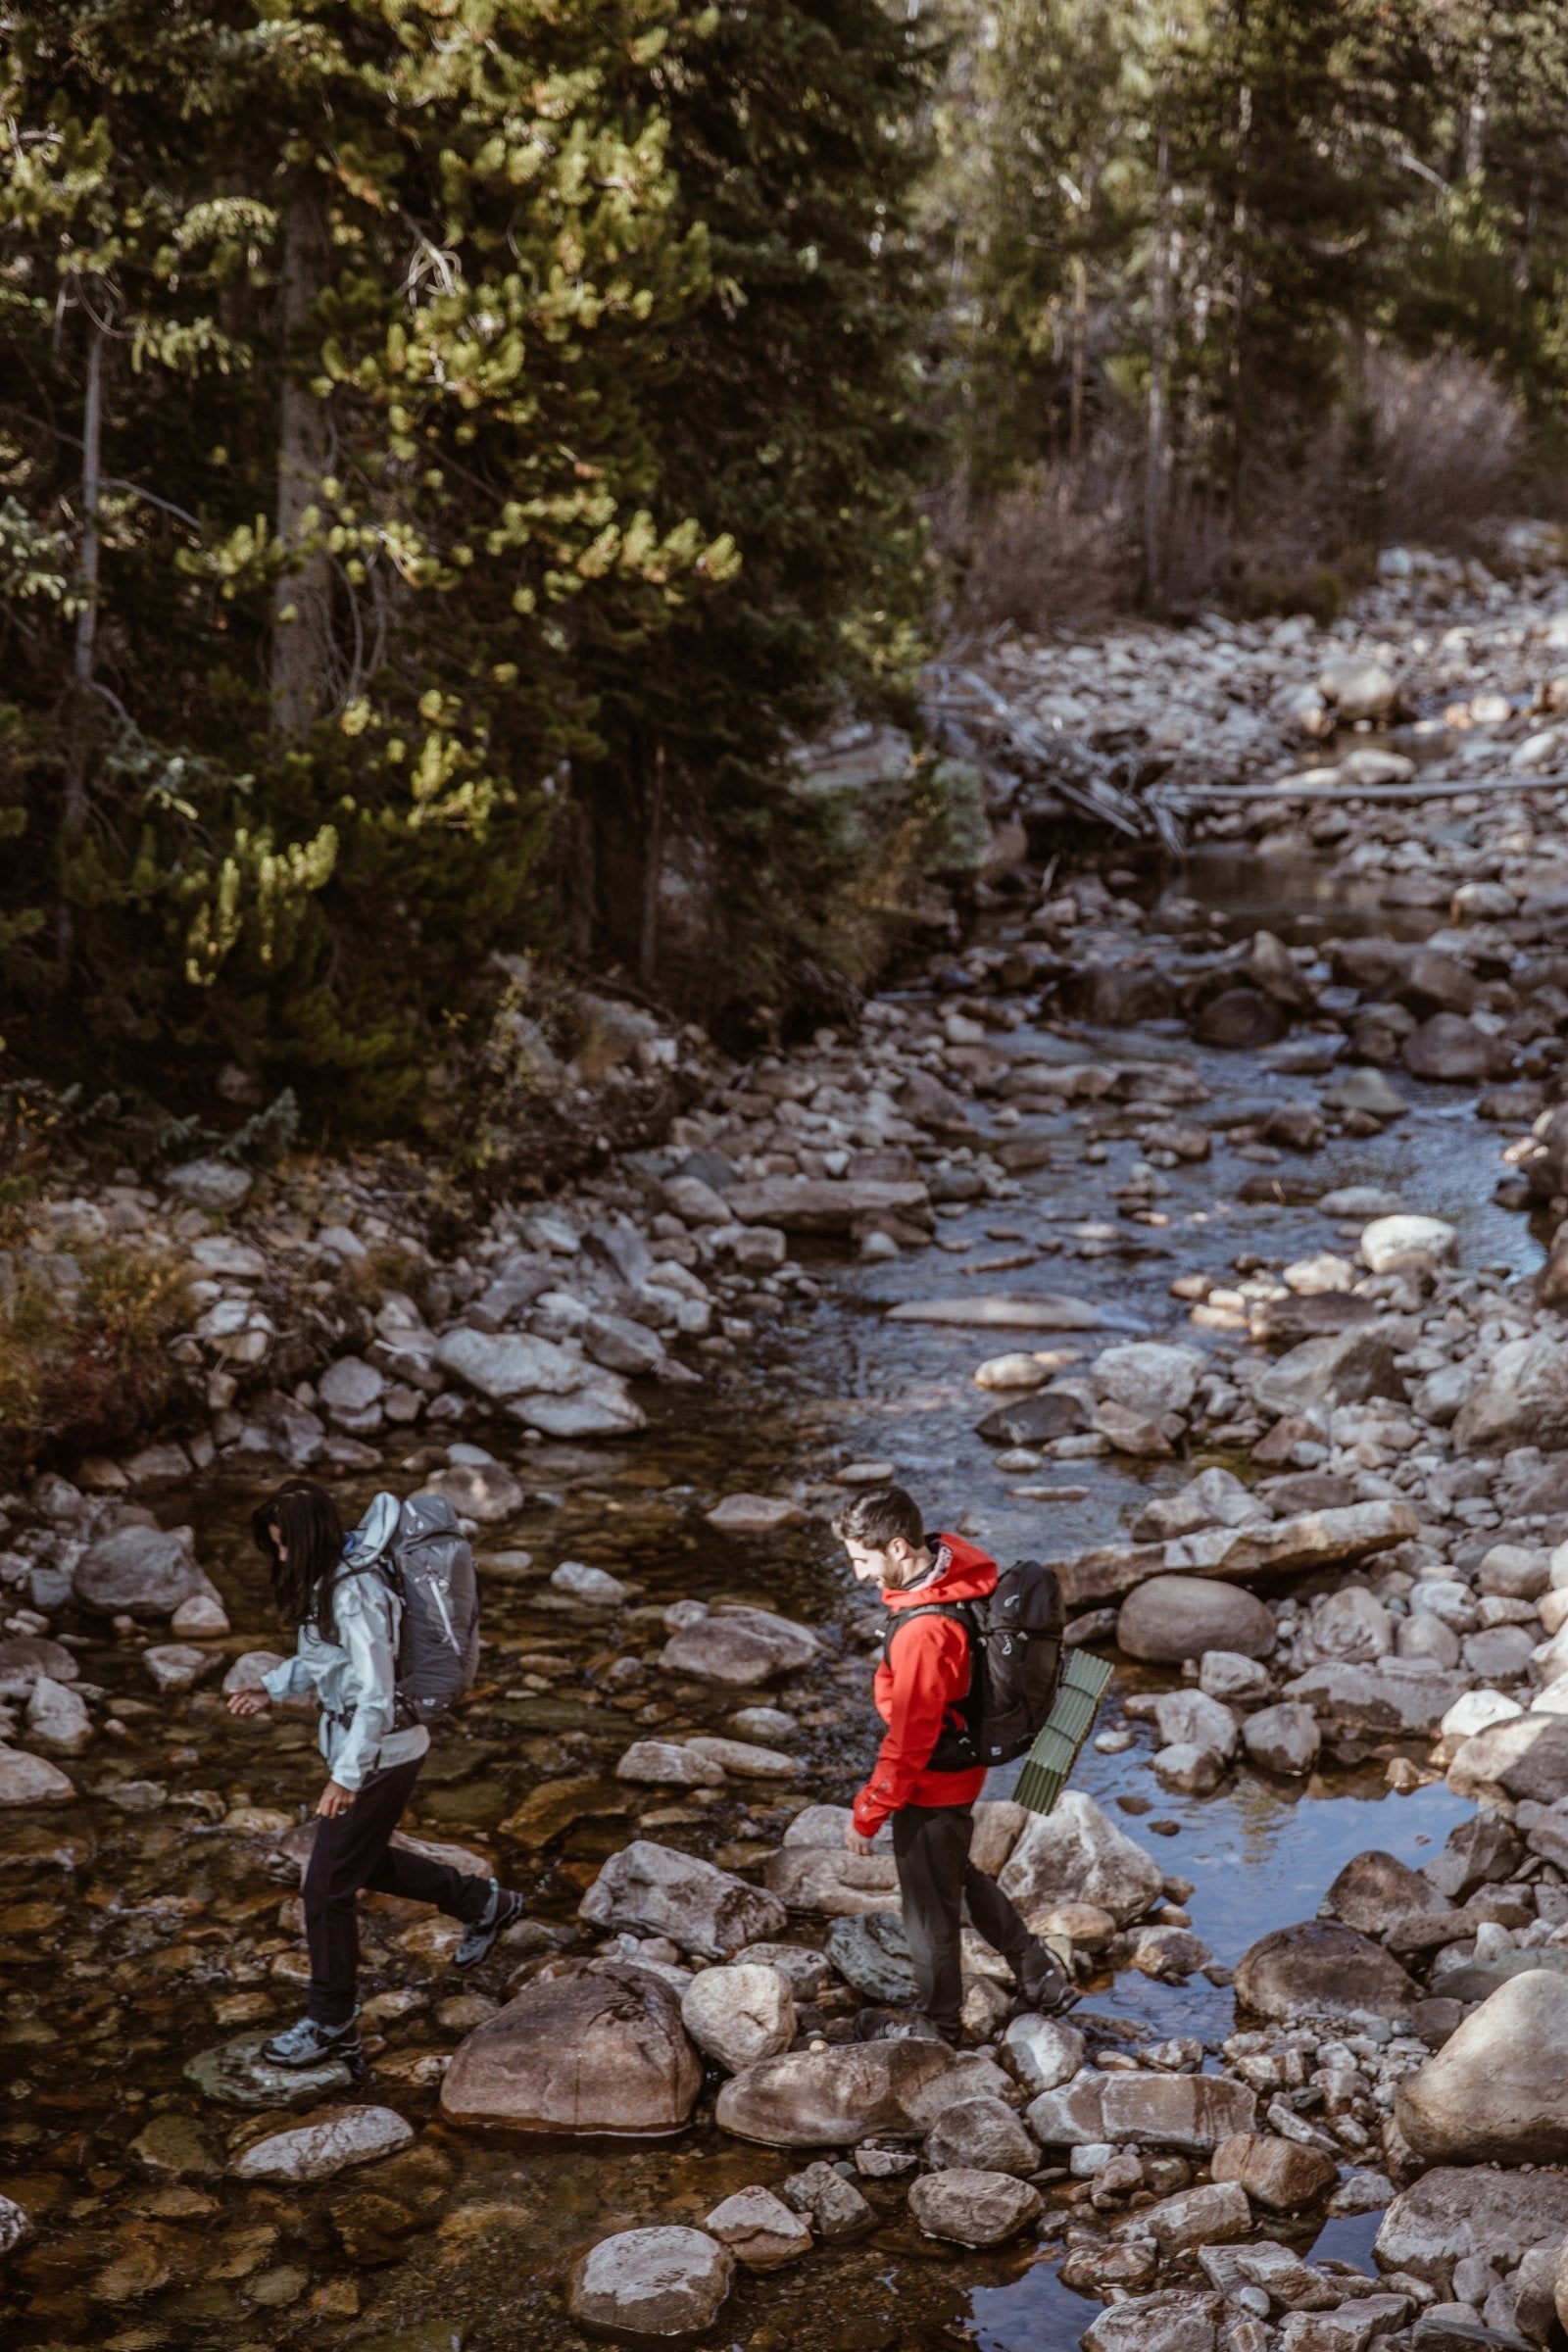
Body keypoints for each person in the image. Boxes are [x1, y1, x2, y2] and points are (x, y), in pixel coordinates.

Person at [228, 1478, 523, 2074]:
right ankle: (484, 1903)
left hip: (381, 1756)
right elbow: (322, 1659)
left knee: (325, 1889)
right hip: (372, 1751)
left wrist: (346, 1777)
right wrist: (270, 1686)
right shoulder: (331, 1579)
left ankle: (331, 2022)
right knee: (360, 1862)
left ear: (308, 1539)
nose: (281, 1556)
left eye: (284, 1545)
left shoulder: (355, 1592)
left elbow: (373, 1695)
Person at [836, 1485, 1072, 2045]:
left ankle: (938, 2028)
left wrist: (869, 1811)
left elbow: (911, 1737)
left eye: (862, 1561)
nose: (859, 1575)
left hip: (935, 1778)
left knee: (927, 1911)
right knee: (953, 1875)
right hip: (961, 1764)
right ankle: (1038, 1974)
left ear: (897, 1548)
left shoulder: (925, 1630)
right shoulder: (954, 1569)